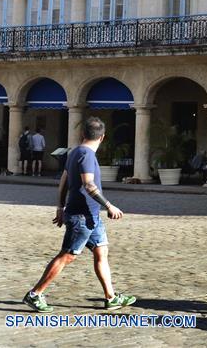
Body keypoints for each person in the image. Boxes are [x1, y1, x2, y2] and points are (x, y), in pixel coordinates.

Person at [22, 117, 136, 313]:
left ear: (82, 134)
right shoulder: (87, 155)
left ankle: (111, 297)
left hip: (91, 216)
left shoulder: (75, 152)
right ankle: (35, 294)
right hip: (81, 216)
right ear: (103, 137)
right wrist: (109, 205)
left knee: (101, 252)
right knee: (67, 255)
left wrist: (60, 206)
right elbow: (89, 185)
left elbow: (64, 181)